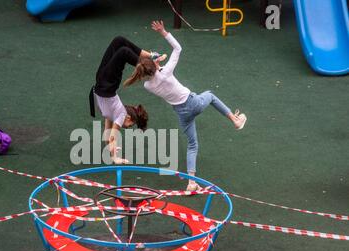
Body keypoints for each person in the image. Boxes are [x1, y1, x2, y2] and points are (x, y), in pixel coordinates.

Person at [124, 21, 247, 191]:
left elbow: (155, 74)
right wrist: (163, 32)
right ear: (155, 66)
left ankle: (191, 182)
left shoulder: (148, 86)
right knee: (210, 95)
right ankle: (235, 120)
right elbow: (178, 48)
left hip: (182, 114)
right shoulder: (165, 72)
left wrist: (156, 63)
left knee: (192, 144)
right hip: (192, 103)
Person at [91, 36, 159, 164]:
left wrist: (109, 148)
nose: (127, 128)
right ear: (128, 118)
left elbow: (108, 133)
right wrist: (115, 158)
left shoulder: (112, 114)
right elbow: (113, 136)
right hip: (107, 84)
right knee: (122, 49)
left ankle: (149, 60)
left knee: (119, 43)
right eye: (130, 125)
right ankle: (149, 65)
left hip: (102, 82)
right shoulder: (121, 115)